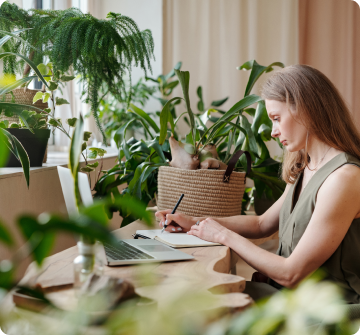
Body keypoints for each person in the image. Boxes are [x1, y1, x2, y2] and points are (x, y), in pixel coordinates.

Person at [155, 65, 360, 306]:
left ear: (305, 109)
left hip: (327, 311)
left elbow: (291, 273)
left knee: (198, 301)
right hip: (294, 299)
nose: (273, 132)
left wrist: (223, 235)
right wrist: (194, 221)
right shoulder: (307, 165)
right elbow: (261, 224)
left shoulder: (343, 178)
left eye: (276, 118)